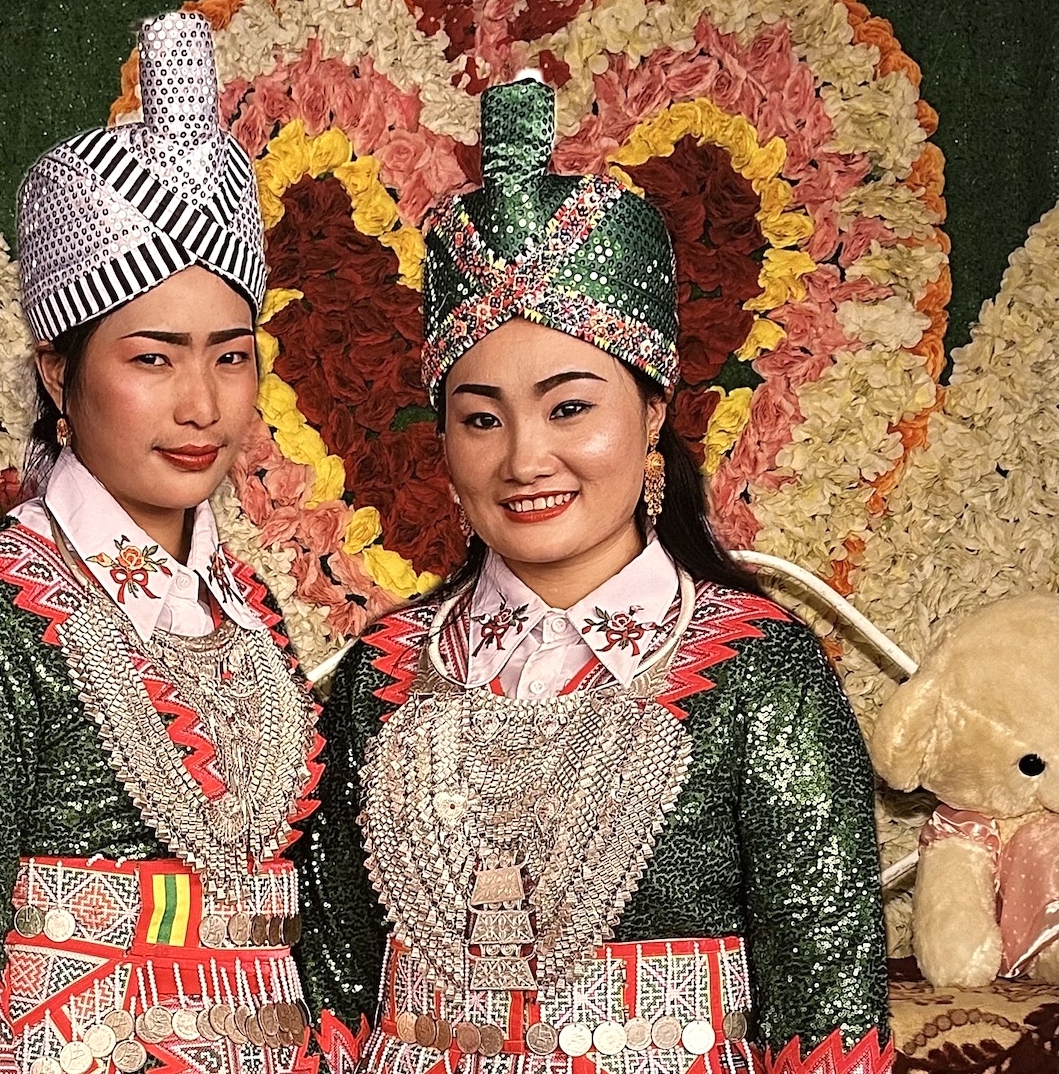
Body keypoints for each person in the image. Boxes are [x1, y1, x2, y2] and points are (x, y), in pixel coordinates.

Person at [295, 77, 893, 1074]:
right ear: (442, 443)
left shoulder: (759, 675)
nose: (525, 457)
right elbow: (330, 993)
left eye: (570, 407)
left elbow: (828, 1018)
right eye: (481, 417)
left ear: (653, 411)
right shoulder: (384, 675)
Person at [0, 13, 324, 1074]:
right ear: (55, 373)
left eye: (229, 357)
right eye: (153, 357)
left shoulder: (250, 611)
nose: (200, 404)